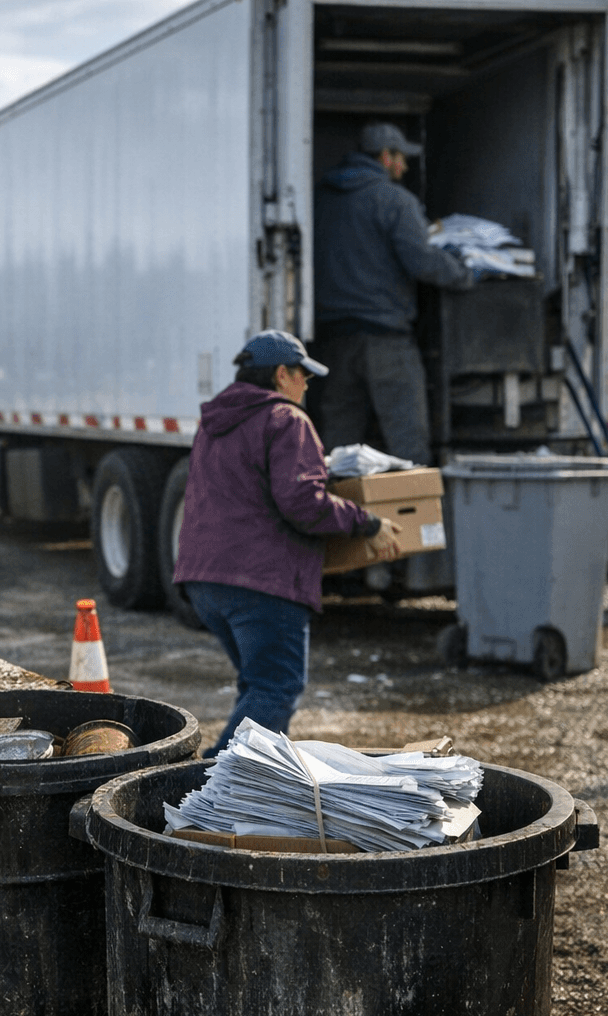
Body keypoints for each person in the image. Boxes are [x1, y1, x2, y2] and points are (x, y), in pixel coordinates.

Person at [173, 330, 402, 755]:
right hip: (261, 582)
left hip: (204, 580)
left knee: (257, 685)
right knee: (276, 689)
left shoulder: (214, 422)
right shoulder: (286, 420)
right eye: (303, 374)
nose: (307, 384)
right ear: (282, 374)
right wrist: (367, 523)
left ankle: (252, 788)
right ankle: (210, 786)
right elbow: (302, 501)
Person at [312, 121, 475, 466]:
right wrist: (464, 271)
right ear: (386, 157)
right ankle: (416, 520)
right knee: (408, 448)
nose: (404, 167)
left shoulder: (321, 200)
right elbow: (422, 261)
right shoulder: (395, 201)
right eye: (401, 158)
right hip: (385, 340)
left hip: (333, 343)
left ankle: (334, 517)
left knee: (337, 453)